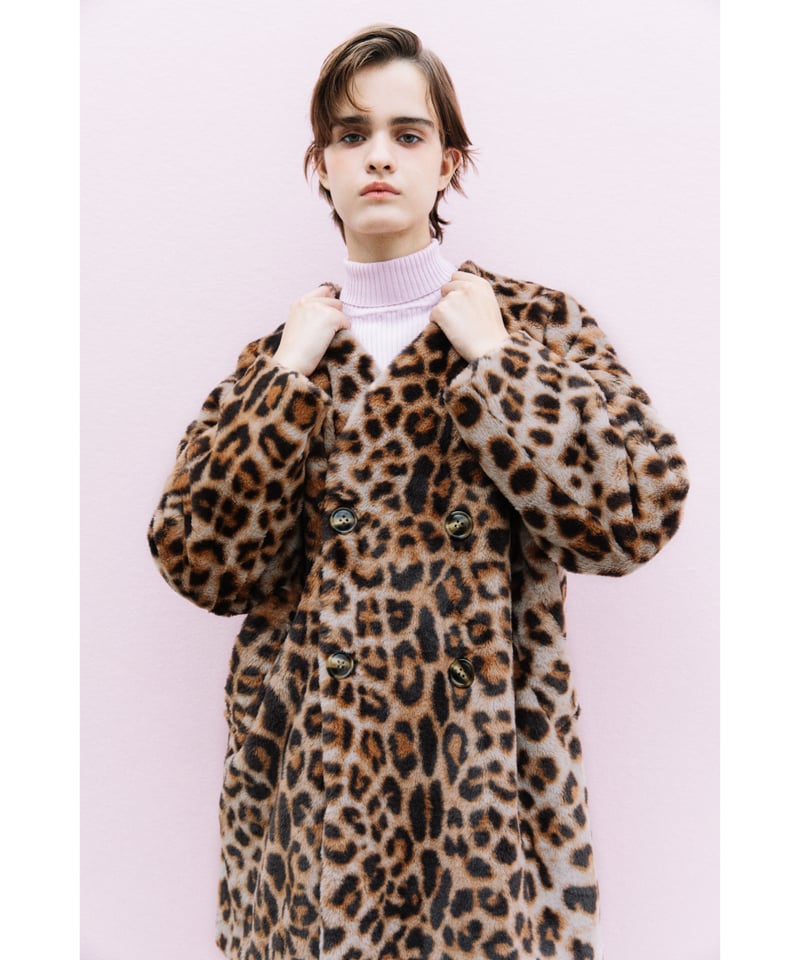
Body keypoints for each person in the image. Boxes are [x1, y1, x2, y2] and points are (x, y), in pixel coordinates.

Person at [148, 24, 689, 960]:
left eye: (408, 134)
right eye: (351, 135)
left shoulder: (534, 327)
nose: (379, 157)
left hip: (487, 799)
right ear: (320, 167)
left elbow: (634, 520)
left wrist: (502, 368)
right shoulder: (281, 358)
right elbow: (200, 565)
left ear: (450, 163)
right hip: (310, 806)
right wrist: (284, 382)